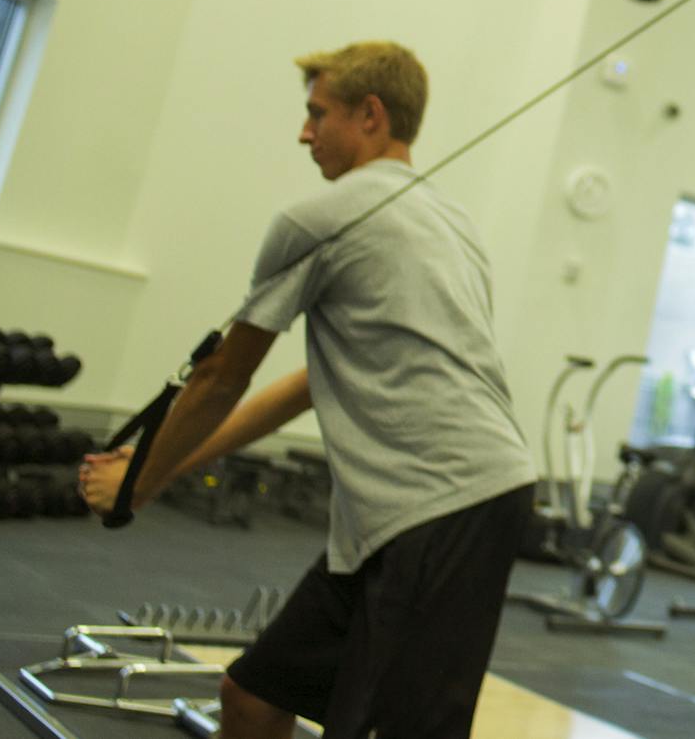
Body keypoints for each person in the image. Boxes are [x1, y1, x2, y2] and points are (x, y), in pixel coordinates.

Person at [80, 42, 536, 739]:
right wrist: (158, 465)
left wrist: (136, 484)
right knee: (253, 696)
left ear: (370, 115)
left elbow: (221, 377)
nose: (304, 133)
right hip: (402, 518)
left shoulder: (322, 218)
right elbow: (302, 387)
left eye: (317, 114)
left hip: (443, 504)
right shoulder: (453, 224)